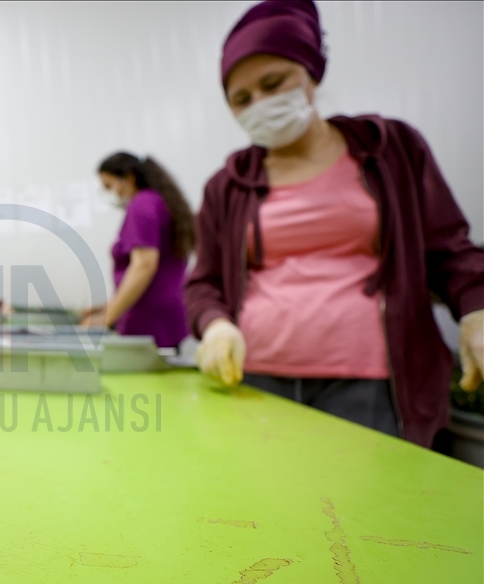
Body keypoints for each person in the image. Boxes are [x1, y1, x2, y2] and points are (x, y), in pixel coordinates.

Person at [185, 0, 484, 447]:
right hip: (257, 375)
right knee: (264, 508)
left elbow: (448, 247)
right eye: (242, 98)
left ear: (310, 73)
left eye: (274, 83)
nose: (260, 104)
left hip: (369, 383)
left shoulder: (390, 151)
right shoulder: (226, 187)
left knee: (366, 510)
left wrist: (476, 310)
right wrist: (215, 324)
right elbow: (203, 282)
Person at [81, 152, 195, 348]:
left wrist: (107, 317)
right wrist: (109, 306)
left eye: (109, 186)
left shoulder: (142, 205)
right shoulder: (158, 202)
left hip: (149, 320)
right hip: (166, 315)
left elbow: (144, 266)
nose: (110, 193)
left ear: (129, 178)